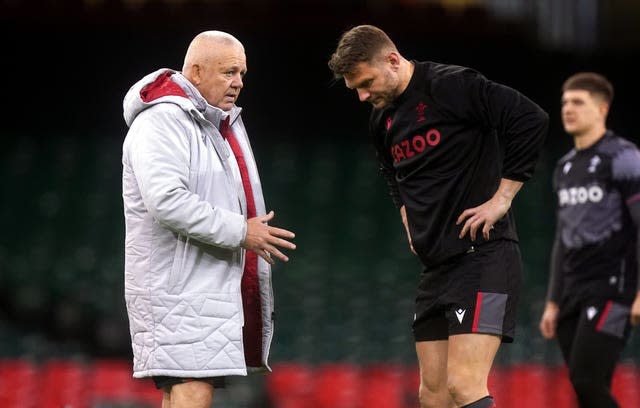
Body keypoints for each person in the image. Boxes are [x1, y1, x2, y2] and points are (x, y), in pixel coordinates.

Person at [328, 25, 549, 408]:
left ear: (393, 60)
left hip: (484, 258)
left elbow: (530, 118)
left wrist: (503, 198)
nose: (363, 96)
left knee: (464, 386)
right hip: (436, 269)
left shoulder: (451, 86)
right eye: (355, 90)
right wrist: (404, 213)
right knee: (432, 397)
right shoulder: (382, 121)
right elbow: (390, 171)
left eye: (366, 82)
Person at [121, 31, 296, 408]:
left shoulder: (210, 123)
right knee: (192, 391)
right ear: (196, 71)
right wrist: (241, 231)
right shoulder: (163, 121)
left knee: (184, 393)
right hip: (179, 287)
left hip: (197, 287)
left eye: (243, 73)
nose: (239, 83)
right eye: (230, 72)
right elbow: (166, 200)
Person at [538, 72, 640, 408]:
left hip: (614, 289)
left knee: (587, 379)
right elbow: (563, 238)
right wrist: (553, 301)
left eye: (578, 102)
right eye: (565, 102)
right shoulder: (565, 168)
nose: (568, 108)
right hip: (573, 293)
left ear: (602, 109)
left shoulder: (624, 157)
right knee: (586, 388)